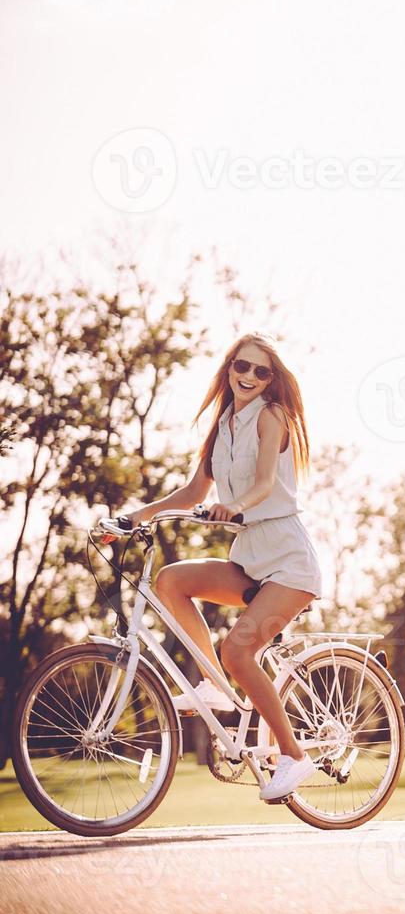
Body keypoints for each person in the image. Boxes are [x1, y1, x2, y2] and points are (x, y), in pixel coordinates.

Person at [114, 333, 324, 802]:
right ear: (229, 369)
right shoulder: (223, 424)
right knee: (170, 580)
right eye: (240, 366)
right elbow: (192, 494)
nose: (248, 376)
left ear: (272, 380)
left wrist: (232, 506)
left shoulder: (273, 417)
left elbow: (267, 483)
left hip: (289, 564)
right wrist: (135, 517)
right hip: (249, 560)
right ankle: (212, 685)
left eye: (260, 371)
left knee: (238, 652)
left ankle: (294, 756)